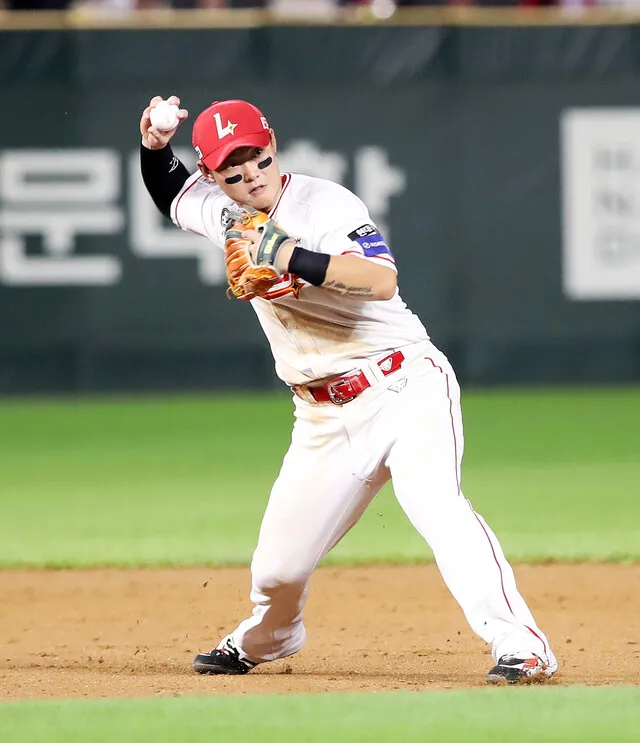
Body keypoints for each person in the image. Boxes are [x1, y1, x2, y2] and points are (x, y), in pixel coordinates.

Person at [139, 94, 559, 685]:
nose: (250, 175)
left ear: (273, 145)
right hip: (320, 416)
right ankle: (271, 636)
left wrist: (288, 255)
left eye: (257, 157)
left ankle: (521, 645)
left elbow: (380, 279)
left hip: (402, 384)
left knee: (436, 505)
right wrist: (154, 145)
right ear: (214, 175)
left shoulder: (324, 204)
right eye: (232, 169)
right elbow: (173, 194)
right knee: (277, 570)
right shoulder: (228, 215)